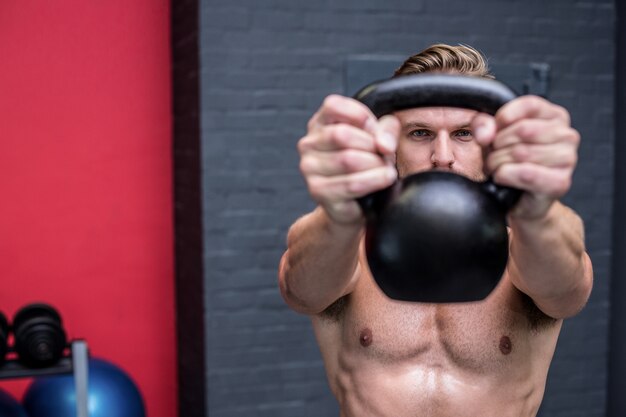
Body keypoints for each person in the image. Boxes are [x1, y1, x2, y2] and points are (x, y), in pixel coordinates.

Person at [277, 44, 593, 417]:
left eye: (463, 133)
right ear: (392, 145)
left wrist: (535, 209)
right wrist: (340, 209)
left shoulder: (530, 247)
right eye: (421, 133)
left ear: (490, 147)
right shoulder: (345, 246)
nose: (442, 155)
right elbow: (300, 291)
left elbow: (567, 291)